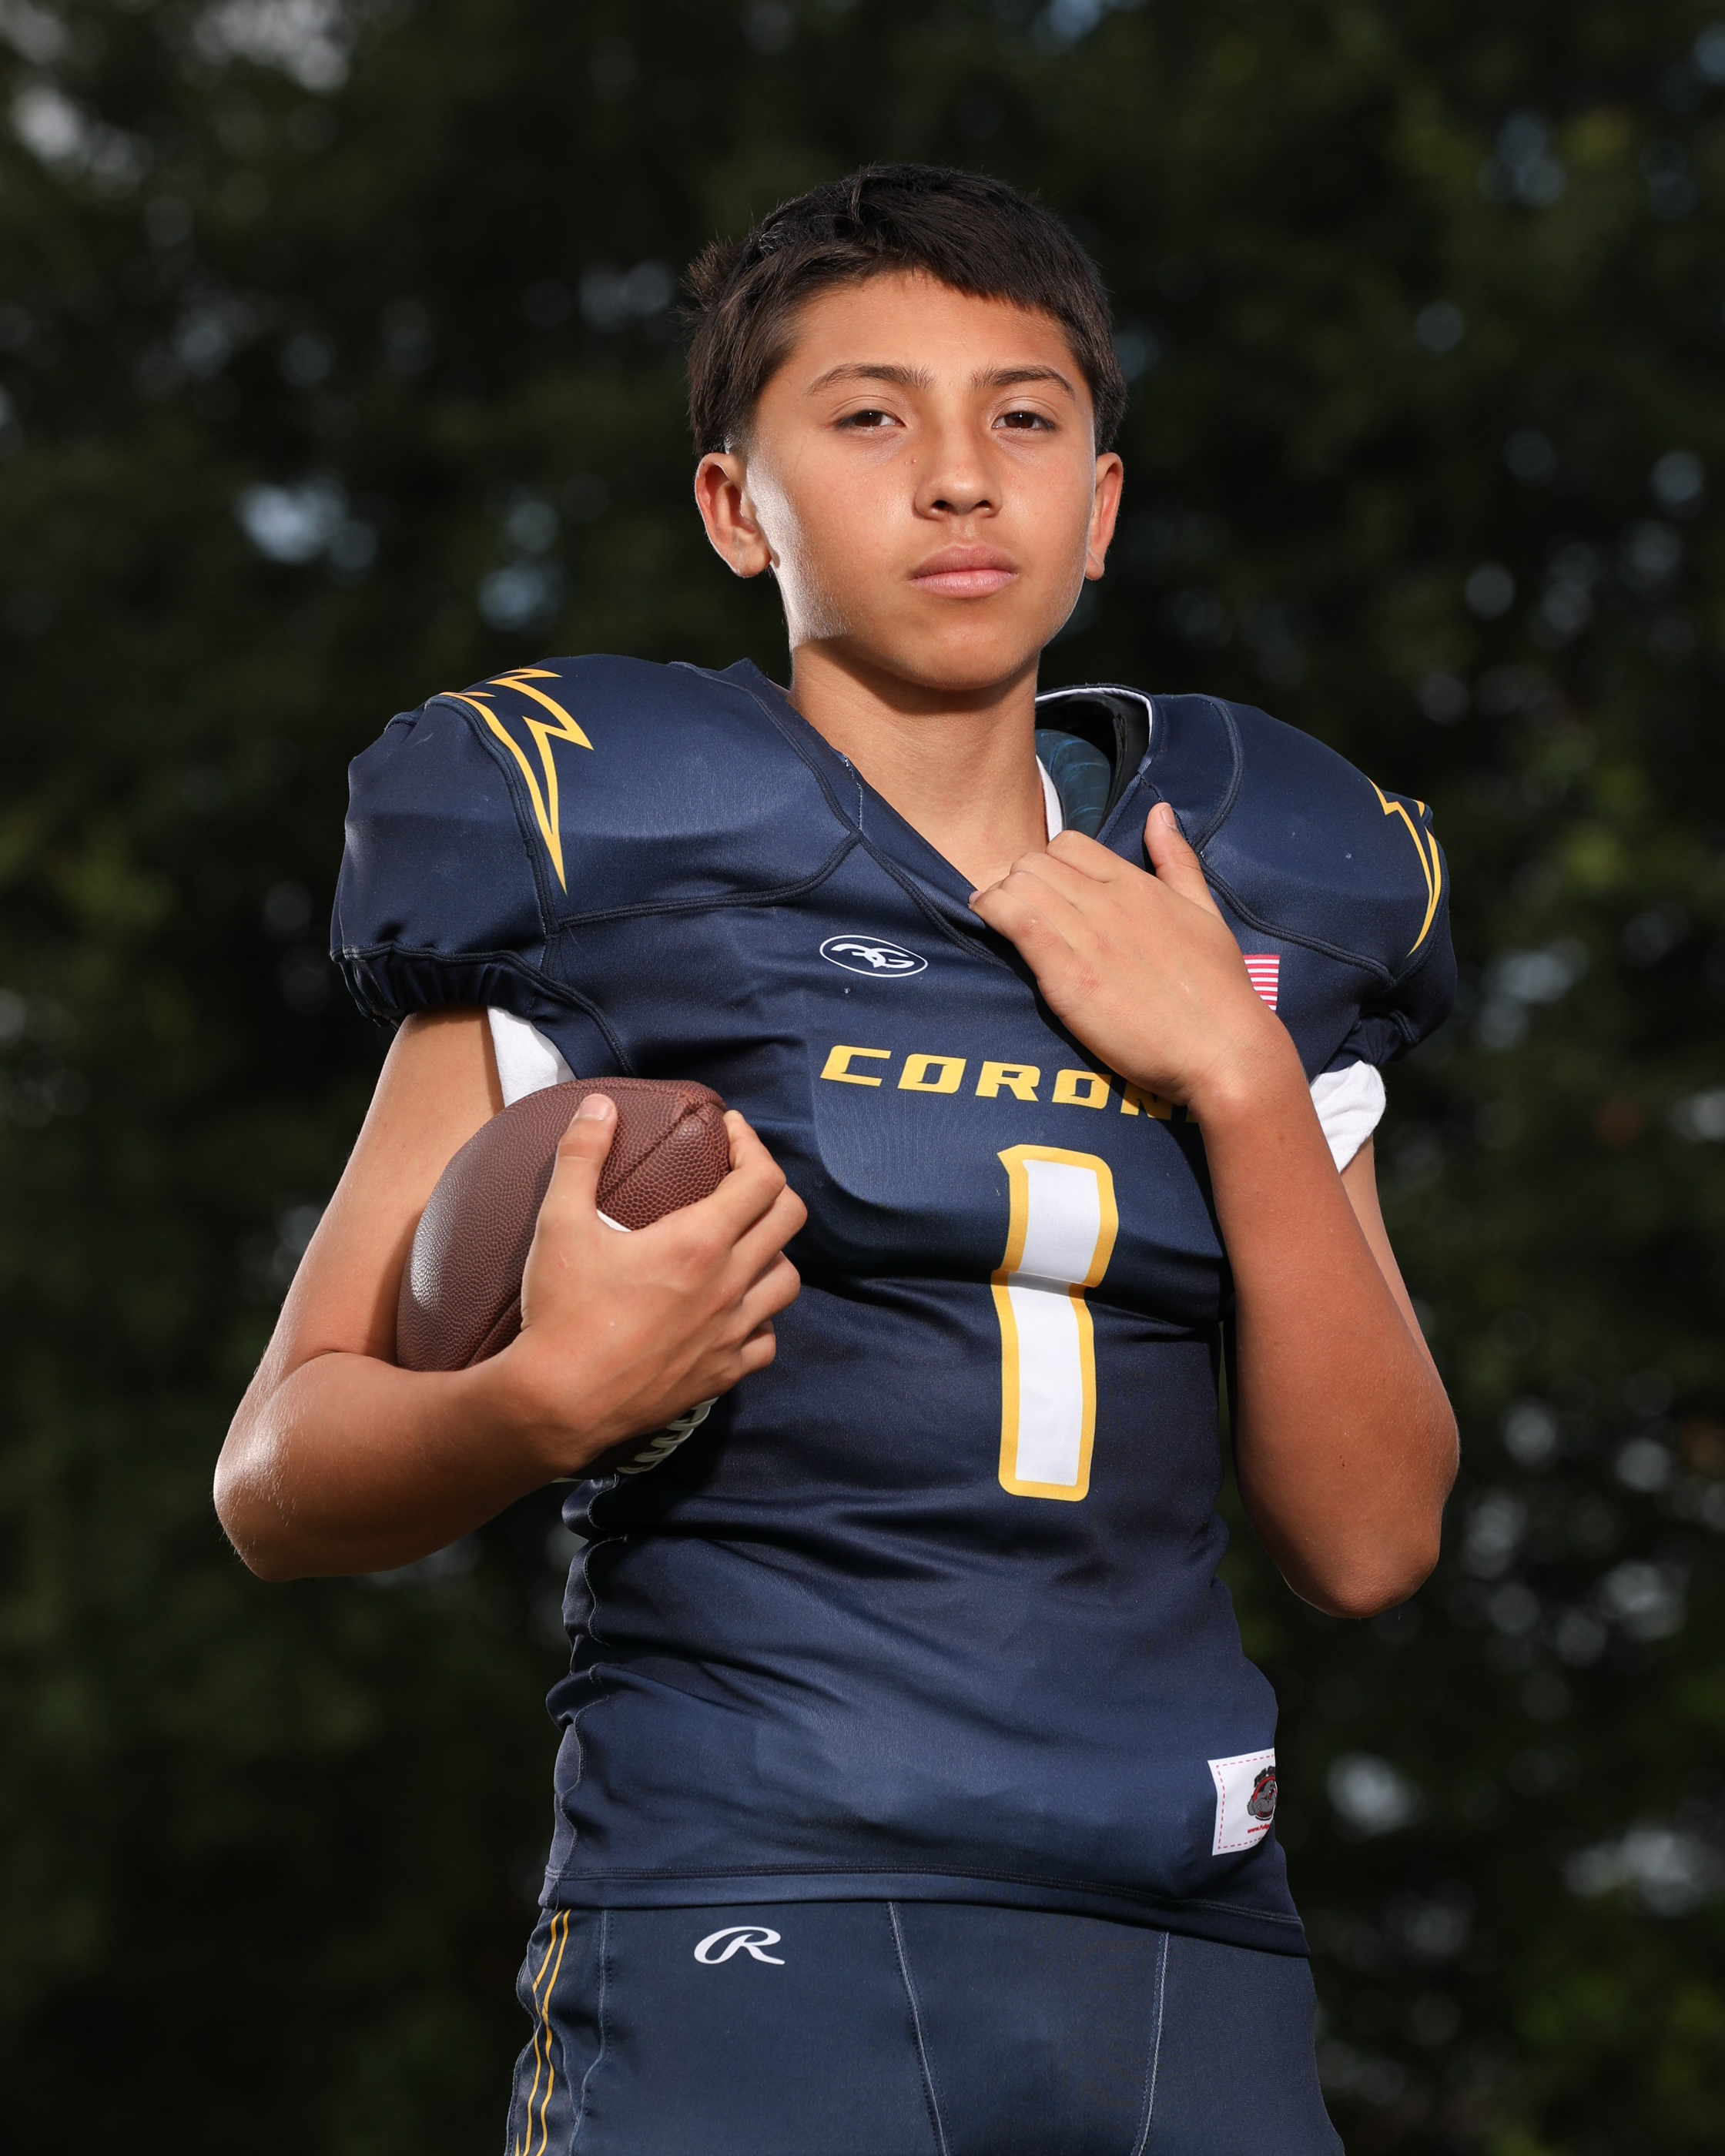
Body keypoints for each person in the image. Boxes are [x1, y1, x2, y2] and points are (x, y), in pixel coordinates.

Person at [216, 165, 1458, 2154]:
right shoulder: (603, 863)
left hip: (1187, 1944)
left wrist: (1235, 1074)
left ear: (1100, 508)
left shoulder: (1258, 916)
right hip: (750, 1911)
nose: (959, 479)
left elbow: (1373, 1541)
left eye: (1023, 418)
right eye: (870, 417)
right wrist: (539, 1401)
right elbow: (277, 1482)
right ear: (737, 507)